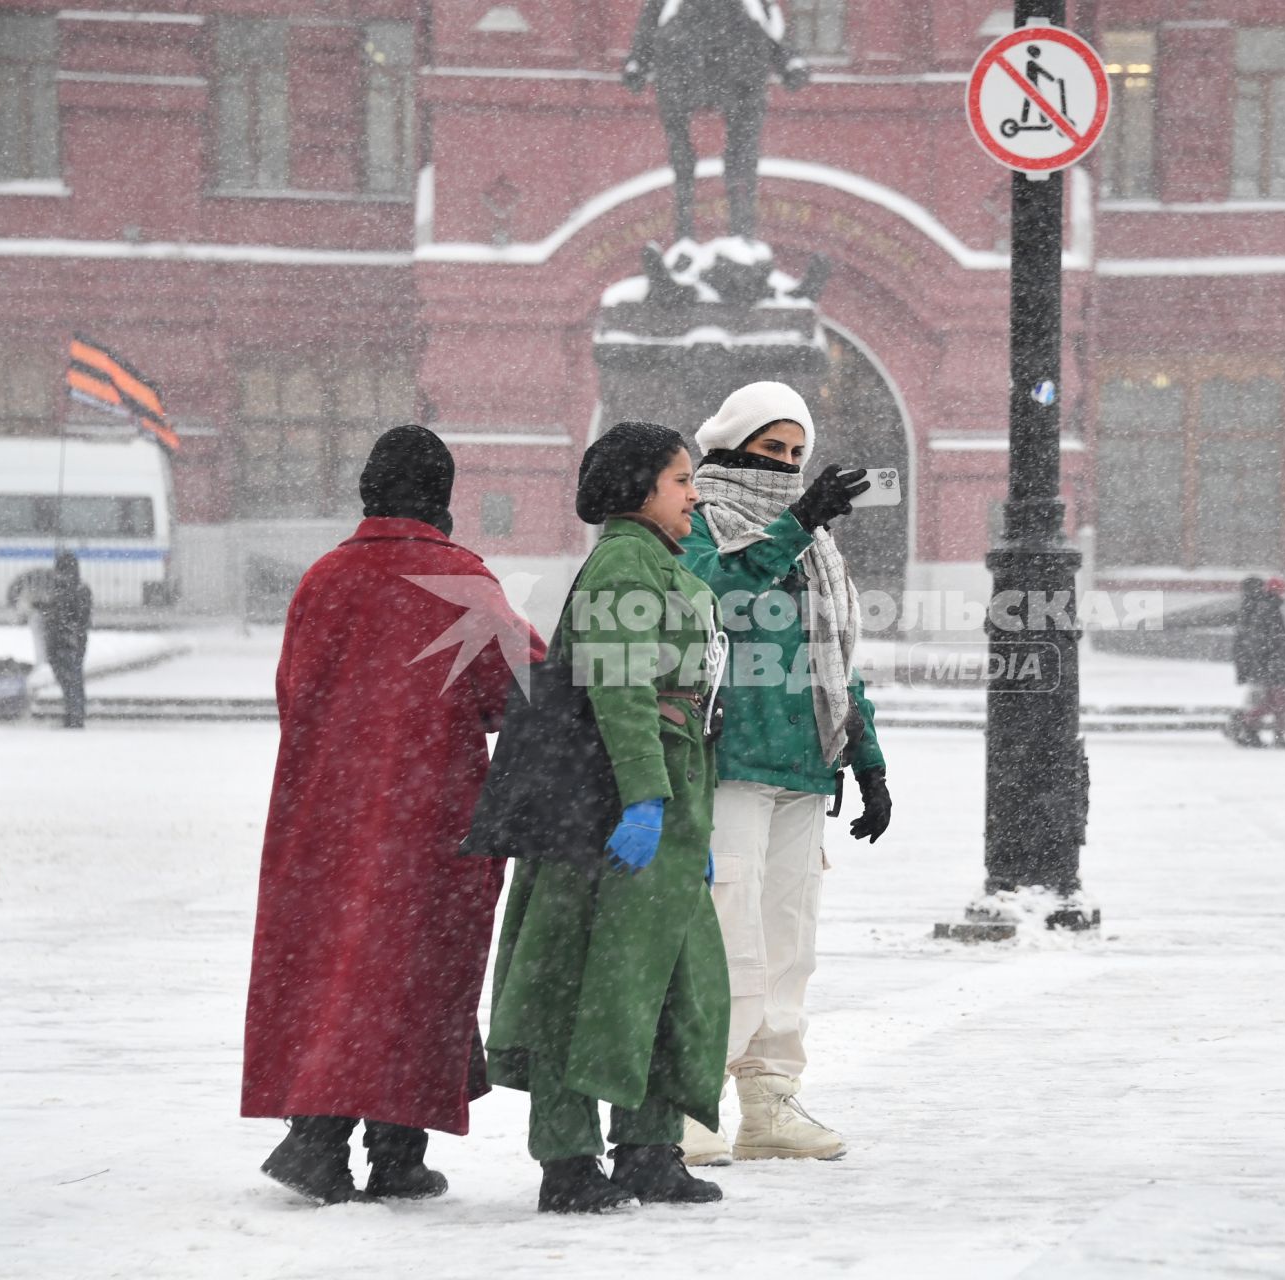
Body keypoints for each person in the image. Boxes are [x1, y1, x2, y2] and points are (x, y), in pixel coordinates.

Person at [242, 425, 543, 1206]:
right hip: (427, 813)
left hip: (321, 811)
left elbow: (295, 691)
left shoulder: (324, 578)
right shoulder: (457, 579)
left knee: (331, 968)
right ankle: (376, 1148)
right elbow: (525, 688)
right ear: (441, 498)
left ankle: (331, 1136)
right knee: (416, 973)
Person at [486, 422, 731, 1214]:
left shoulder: (655, 559)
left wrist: (684, 812)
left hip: (659, 785)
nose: (694, 493)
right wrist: (646, 800)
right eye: (680, 479)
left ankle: (647, 1150)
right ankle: (571, 1162)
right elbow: (623, 691)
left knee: (652, 976)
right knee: (590, 980)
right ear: (639, 489)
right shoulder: (628, 559)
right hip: (613, 799)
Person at [671, 382, 888, 1167]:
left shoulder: (815, 542)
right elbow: (713, 600)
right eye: (773, 451)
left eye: (798, 454)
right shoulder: (697, 520)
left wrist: (867, 760)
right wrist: (796, 525)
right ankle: (687, 1101)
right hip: (730, 757)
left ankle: (768, 1100)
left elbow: (834, 656)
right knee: (726, 936)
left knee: (789, 940)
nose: (788, 466)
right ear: (729, 447)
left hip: (806, 762)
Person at [1228, 575, 1285, 750]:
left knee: (1271, 704)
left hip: (1269, 666)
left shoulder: (1265, 608)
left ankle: (1249, 727)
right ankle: (1257, 730)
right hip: (1273, 666)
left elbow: (1267, 640)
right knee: (1279, 704)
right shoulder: (1270, 610)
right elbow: (1271, 640)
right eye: (1283, 591)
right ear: (1278, 592)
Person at [37, 550, 93, 729]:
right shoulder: (68, 589)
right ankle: (74, 712)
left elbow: (76, 616)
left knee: (71, 678)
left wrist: (65, 626)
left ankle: (75, 714)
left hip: (67, 639)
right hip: (66, 639)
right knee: (70, 677)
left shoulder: (72, 590)